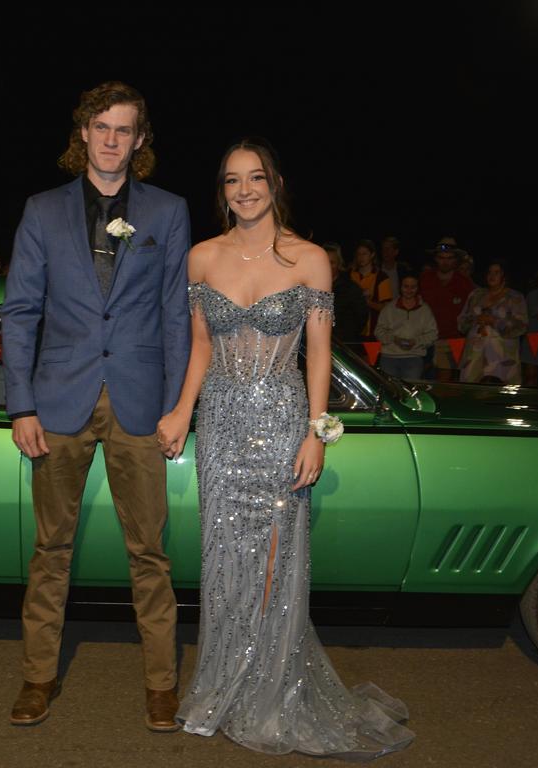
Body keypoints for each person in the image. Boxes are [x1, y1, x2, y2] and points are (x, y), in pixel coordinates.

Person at [156, 139, 413, 758]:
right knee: (223, 560)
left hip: (281, 419)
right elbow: (200, 347)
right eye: (231, 181)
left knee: (274, 561)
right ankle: (222, 686)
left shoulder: (309, 260)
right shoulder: (201, 258)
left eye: (255, 179)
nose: (243, 190)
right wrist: (181, 409)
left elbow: (319, 352)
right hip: (219, 422)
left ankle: (270, 694)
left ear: (275, 184)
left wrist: (316, 433)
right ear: (222, 191)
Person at [1, 81, 191, 731]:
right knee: (50, 550)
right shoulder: (42, 210)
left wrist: (176, 408)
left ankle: (161, 686)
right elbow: (21, 311)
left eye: (124, 130)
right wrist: (21, 404)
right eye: (101, 127)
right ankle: (36, 678)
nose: (112, 140)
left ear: (140, 141)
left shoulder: (167, 212)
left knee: (150, 553)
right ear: (83, 131)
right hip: (58, 402)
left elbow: (174, 315)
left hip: (140, 405)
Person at [457, 258, 528, 384]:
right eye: (489, 272)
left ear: (504, 276)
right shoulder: (476, 295)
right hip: (474, 356)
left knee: (501, 394)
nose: (492, 276)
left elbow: (521, 327)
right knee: (470, 390)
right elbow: (461, 323)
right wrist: (476, 319)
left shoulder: (515, 297)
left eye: (496, 272)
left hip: (502, 359)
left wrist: (494, 321)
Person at [420, 237, 474, 381]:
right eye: (441, 257)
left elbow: (472, 313)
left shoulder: (465, 283)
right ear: (436, 259)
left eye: (449, 258)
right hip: (424, 339)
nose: (445, 261)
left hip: (453, 342)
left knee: (446, 382)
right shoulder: (425, 279)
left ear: (455, 260)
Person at [375, 273, 437, 380]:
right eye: (406, 286)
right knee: (390, 392)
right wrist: (394, 339)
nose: (409, 290)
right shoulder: (389, 308)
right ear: (400, 287)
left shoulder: (425, 310)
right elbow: (378, 331)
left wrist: (416, 341)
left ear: (418, 288)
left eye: (413, 287)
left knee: (410, 393)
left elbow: (433, 334)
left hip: (414, 358)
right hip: (389, 357)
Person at [323, 242, 366, 347]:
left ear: (339, 264)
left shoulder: (351, 289)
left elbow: (361, 317)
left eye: (332, 262)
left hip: (343, 346)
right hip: (317, 344)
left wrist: (345, 335)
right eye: (324, 262)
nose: (328, 266)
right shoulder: (311, 288)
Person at [349, 239, 392, 337]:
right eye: (359, 254)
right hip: (352, 330)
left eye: (364, 254)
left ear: (372, 255)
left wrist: (367, 302)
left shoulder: (381, 277)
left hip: (373, 331)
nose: (361, 257)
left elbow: (386, 308)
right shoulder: (349, 275)